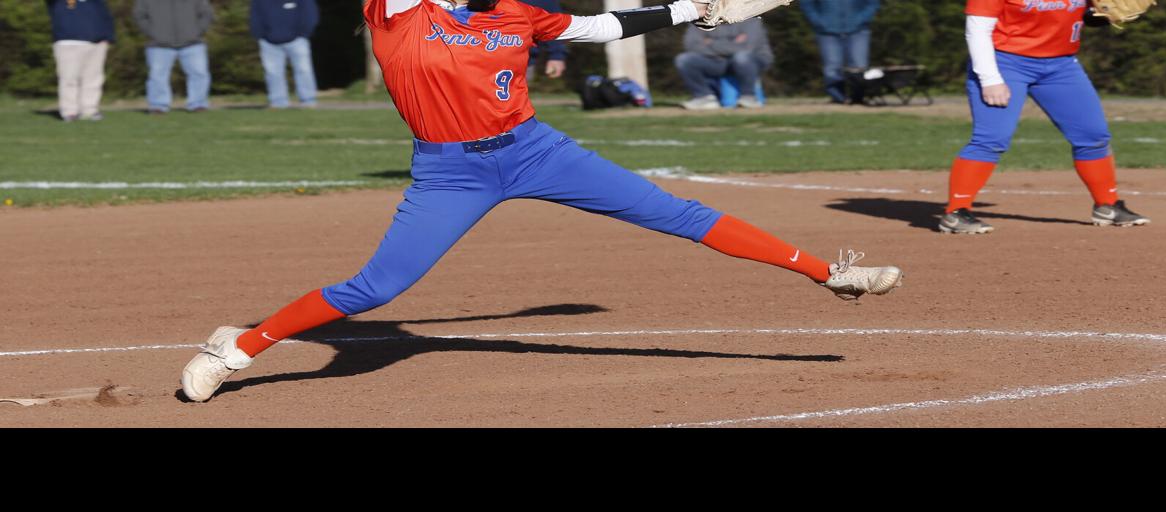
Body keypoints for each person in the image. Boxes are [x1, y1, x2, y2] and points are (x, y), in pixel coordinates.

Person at [180, 0, 903, 403]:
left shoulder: (518, 14)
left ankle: (827, 273)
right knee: (379, 286)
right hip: (451, 173)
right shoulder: (400, 12)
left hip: (535, 149)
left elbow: (601, 28)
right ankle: (237, 348)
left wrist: (685, 8)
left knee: (675, 213)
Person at [939, 0, 1150, 234]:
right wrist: (990, 79)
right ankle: (956, 212)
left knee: (1093, 135)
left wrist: (1098, 15)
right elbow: (977, 30)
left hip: (1061, 65)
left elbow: (1089, 14)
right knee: (991, 138)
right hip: (1006, 62)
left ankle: (1108, 206)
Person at [134, 0, 214, 114]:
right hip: (159, 44)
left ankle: (198, 104)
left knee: (199, 73)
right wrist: (154, 33)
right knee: (157, 76)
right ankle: (158, 106)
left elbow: (206, 13)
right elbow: (139, 15)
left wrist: (196, 31)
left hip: (192, 43)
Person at [675, 17, 773, 110]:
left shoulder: (751, 18)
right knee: (684, 59)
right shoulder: (701, 19)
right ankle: (704, 97)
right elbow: (692, 45)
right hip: (717, 61)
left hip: (752, 60)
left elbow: (747, 47)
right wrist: (732, 45)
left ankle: (749, 97)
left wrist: (710, 43)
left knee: (741, 57)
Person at [47, 0, 115, 122]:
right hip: (69, 42)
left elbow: (105, 16)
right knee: (69, 78)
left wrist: (108, 37)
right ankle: (70, 111)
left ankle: (90, 110)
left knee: (93, 78)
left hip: (96, 42)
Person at [799, 0, 877, 105]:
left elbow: (872, 3)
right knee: (832, 68)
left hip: (858, 30)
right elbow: (807, 4)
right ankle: (838, 98)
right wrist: (818, 21)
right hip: (827, 31)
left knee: (859, 67)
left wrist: (862, 19)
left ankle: (858, 98)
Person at [249, 0, 320, 109]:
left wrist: (303, 34)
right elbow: (255, 17)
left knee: (303, 70)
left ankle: (308, 100)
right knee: (272, 73)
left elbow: (310, 15)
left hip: (297, 41)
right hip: (269, 42)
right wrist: (260, 35)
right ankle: (278, 102)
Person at [517, 0, 568, 83]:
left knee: (514, 94)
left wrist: (556, 55)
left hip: (523, 61)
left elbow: (553, 23)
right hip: (489, 57)